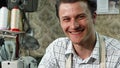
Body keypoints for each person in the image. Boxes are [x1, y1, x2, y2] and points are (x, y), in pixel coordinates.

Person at [38, 0, 120, 68]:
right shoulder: (56, 49)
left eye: (81, 17)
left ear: (93, 17)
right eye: (66, 19)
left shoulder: (117, 53)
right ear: (60, 22)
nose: (74, 26)